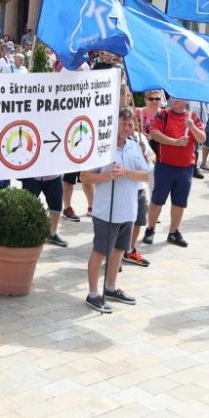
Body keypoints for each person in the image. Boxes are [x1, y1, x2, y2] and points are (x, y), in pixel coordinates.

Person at [81, 108, 151, 312]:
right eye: (123, 123)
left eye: (130, 124)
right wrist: (107, 176)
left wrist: (127, 172)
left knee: (119, 251)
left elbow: (147, 175)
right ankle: (93, 294)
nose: (126, 128)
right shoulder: (102, 146)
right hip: (106, 211)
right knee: (100, 252)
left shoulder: (135, 146)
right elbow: (84, 177)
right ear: (114, 124)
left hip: (128, 210)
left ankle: (110, 288)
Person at [144, 96, 205, 247]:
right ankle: (150, 229)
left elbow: (202, 139)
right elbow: (155, 133)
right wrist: (175, 142)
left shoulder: (193, 118)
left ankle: (173, 232)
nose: (175, 100)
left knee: (180, 202)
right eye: (173, 97)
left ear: (186, 101)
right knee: (157, 199)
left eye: (179, 97)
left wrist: (192, 127)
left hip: (186, 167)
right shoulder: (163, 114)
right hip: (165, 165)